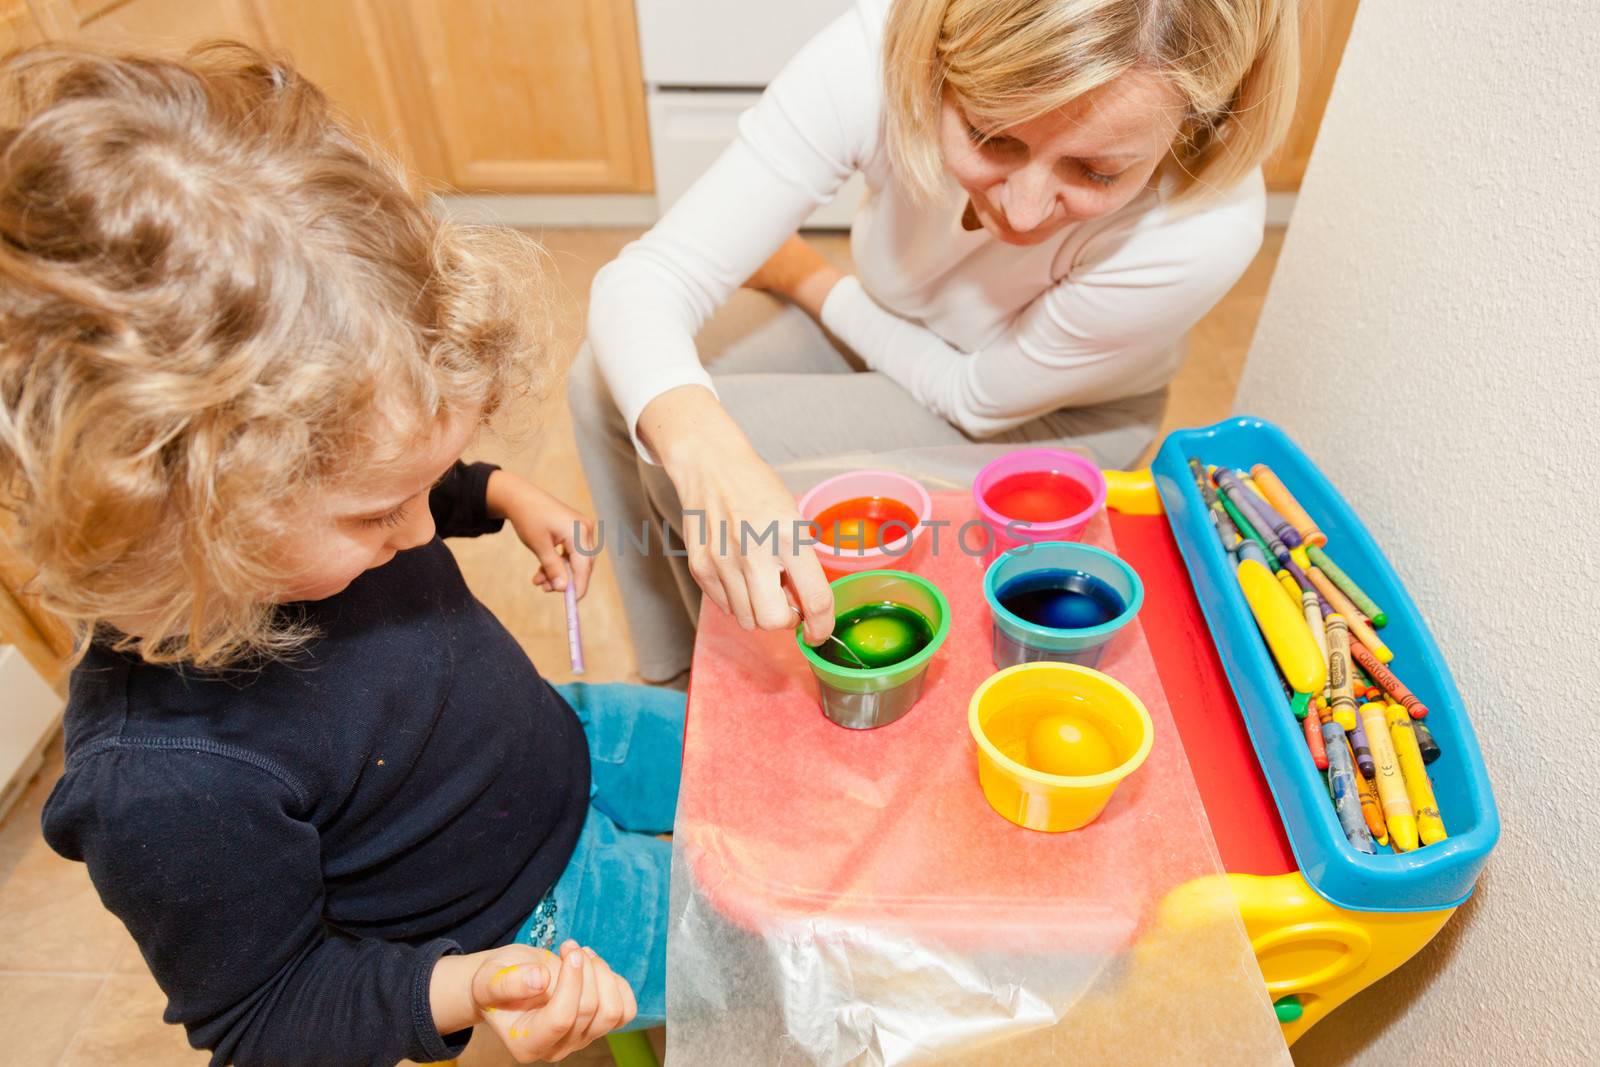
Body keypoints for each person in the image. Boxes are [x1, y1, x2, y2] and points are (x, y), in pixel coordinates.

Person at [0, 44, 677, 1066]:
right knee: (762, 924)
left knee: (754, 760)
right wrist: (468, 982)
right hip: (521, 909)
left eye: (422, 488)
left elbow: (380, 472)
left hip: (557, 740)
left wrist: (490, 490)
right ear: (192, 518)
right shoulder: (164, 786)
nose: (414, 533)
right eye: (377, 514)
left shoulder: (302, 505)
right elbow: (265, 1016)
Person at [570, 0, 1298, 682]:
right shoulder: (877, 54)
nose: (1024, 208)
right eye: (993, 135)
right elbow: (650, 277)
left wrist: (810, 281)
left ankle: (730, 693)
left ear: (1193, 128)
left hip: (1038, 416)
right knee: (623, 394)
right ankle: (678, 679)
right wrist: (705, 445)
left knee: (742, 495)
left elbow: (974, 398)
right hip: (897, 328)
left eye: (1097, 171)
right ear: (940, 65)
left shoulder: (1204, 224)